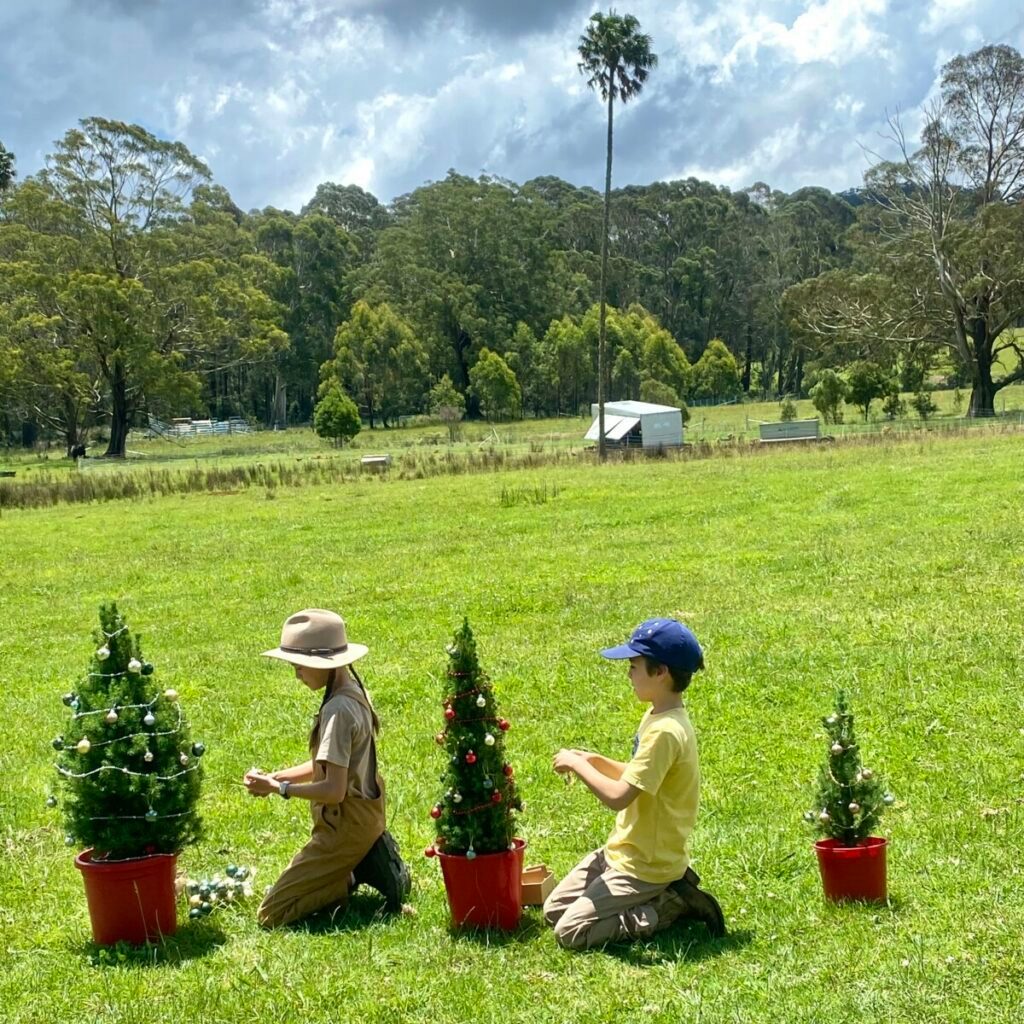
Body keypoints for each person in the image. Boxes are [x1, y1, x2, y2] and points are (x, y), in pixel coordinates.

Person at [543, 618, 725, 949]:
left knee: (569, 933)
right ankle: (662, 892)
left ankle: (670, 904)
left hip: (646, 865)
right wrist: (596, 760)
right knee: (554, 910)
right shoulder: (658, 715)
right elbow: (640, 773)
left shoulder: (667, 731)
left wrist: (578, 766)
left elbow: (619, 796)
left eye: (635, 665)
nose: (629, 673)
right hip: (622, 851)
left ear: (661, 672)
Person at [243, 608, 411, 927]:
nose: (296, 674)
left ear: (322, 664)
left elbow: (333, 792)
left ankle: (348, 875)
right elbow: (330, 763)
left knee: (270, 914)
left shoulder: (337, 710)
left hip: (343, 830)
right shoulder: (353, 691)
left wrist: (279, 789)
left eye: (299, 666)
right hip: (366, 818)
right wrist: (277, 776)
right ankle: (356, 863)